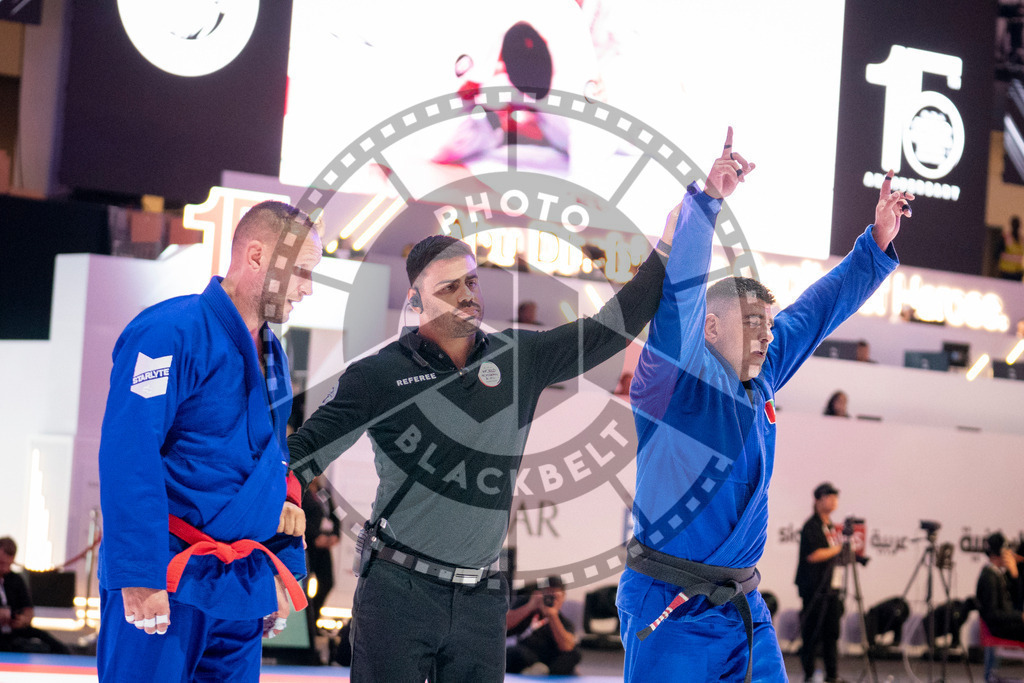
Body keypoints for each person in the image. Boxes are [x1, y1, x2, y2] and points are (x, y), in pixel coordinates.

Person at [287, 162, 700, 682]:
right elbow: (301, 454)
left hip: (483, 599)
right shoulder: (376, 375)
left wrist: (666, 242)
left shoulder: (518, 358)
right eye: (448, 287)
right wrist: (284, 504)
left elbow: (609, 330)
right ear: (415, 300)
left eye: (471, 281)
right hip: (397, 591)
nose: (466, 294)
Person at [617, 128, 911, 683]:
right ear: (710, 326)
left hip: (743, 607)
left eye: (769, 327)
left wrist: (874, 242)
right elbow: (678, 293)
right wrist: (707, 203)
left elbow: (819, 309)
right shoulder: (672, 381)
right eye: (753, 324)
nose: (766, 337)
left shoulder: (766, 375)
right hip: (670, 605)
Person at [96, 201, 321, 681]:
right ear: (257, 256)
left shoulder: (274, 354)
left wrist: (281, 568)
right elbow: (128, 454)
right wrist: (138, 574)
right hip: (170, 574)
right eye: (301, 271)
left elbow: (274, 467)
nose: (307, 288)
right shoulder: (166, 332)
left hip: (241, 584)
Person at [794, 483, 846, 683]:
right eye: (829, 496)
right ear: (817, 500)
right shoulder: (812, 526)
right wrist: (840, 549)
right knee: (812, 633)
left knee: (832, 633)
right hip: (813, 589)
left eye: (835, 497)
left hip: (831, 589)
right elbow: (813, 555)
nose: (833, 501)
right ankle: (809, 674)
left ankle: (832, 675)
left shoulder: (830, 526)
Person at [0, 537, 69, 655]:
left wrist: (23, 620)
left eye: (8, 562)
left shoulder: (16, 580)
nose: (5, 566)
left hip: (15, 631)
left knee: (57, 647)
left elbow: (29, 610)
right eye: (1, 562)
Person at [505, 576, 582, 676]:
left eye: (554, 596)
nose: (549, 599)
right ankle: (535, 670)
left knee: (574, 655)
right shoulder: (526, 605)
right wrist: (530, 606)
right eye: (547, 594)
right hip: (525, 653)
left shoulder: (564, 622)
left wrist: (552, 615)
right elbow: (505, 625)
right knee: (513, 652)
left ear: (563, 597)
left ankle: (544, 673)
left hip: (550, 659)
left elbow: (567, 647)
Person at [302, 476, 341, 623]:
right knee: (303, 586)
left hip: (324, 546)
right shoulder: (301, 490)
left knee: (327, 582)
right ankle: (305, 623)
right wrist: (315, 536)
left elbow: (335, 515)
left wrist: (335, 535)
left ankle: (313, 618)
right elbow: (301, 516)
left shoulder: (323, 491)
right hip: (308, 545)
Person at [976, 532, 1024, 641]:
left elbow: (1017, 599)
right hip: (999, 628)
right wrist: (1019, 616)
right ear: (1000, 553)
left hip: (1007, 624)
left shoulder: (999, 574)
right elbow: (992, 614)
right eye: (1007, 550)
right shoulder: (989, 577)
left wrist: (1015, 575)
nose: (1010, 553)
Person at [996, 216, 1024, 281]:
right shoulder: (1005, 238)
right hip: (1005, 272)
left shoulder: (1021, 240)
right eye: (1015, 224)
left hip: (1017, 273)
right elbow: (996, 254)